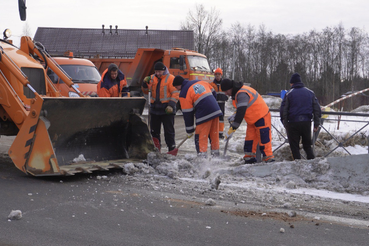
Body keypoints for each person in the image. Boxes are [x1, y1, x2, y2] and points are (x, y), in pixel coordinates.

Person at [221, 79, 275, 163]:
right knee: (250, 140)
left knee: (264, 140)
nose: (225, 93)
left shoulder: (242, 93)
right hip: (252, 119)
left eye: (226, 91)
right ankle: (249, 159)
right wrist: (234, 115)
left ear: (231, 88)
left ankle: (269, 160)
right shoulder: (237, 93)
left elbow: (241, 111)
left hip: (261, 116)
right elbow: (241, 108)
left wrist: (234, 127)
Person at [172, 75, 222, 157]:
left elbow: (187, 113)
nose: (177, 89)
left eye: (176, 87)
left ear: (179, 85)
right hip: (216, 111)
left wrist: (189, 130)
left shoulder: (184, 93)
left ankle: (202, 161)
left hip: (204, 114)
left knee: (200, 138)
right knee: (214, 136)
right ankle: (216, 158)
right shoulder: (200, 82)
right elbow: (213, 93)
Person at [280, 73, 322, 160]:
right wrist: (316, 123)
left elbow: (284, 109)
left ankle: (298, 165)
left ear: (292, 83)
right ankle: (312, 164)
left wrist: (284, 122)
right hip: (306, 122)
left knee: (294, 146)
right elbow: (317, 109)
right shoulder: (310, 93)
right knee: (307, 145)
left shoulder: (289, 94)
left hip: (293, 123)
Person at [141, 62, 178, 152]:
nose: (157, 73)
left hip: (167, 110)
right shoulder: (152, 78)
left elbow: (175, 93)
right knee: (154, 132)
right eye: (156, 71)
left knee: (169, 131)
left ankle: (171, 148)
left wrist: (171, 105)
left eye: (159, 72)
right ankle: (156, 149)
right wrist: (144, 84)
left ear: (163, 70)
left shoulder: (170, 79)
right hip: (155, 110)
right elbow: (146, 91)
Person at [210, 68, 228, 139]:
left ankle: (220, 133)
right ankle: (213, 133)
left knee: (221, 119)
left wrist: (226, 97)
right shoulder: (211, 84)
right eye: (216, 74)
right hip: (214, 104)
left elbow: (228, 93)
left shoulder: (224, 84)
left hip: (222, 104)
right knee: (214, 119)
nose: (217, 76)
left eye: (219, 74)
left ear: (221, 75)